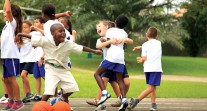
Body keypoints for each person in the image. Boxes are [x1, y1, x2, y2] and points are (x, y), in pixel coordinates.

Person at [15, 23, 102, 107]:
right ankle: (40, 106)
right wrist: (20, 34)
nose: (63, 33)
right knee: (49, 91)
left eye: (63, 31)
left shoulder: (68, 44)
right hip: (50, 68)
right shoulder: (46, 41)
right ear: (53, 33)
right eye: (60, 31)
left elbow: (81, 47)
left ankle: (61, 98)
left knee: (73, 87)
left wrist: (94, 51)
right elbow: (33, 37)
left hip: (63, 69)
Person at [86, 20, 131, 108]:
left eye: (99, 26)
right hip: (109, 62)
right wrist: (109, 41)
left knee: (125, 83)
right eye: (97, 28)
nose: (97, 29)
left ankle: (121, 99)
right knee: (105, 81)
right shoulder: (101, 39)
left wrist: (124, 39)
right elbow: (99, 45)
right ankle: (99, 101)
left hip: (117, 61)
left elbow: (127, 41)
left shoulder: (115, 35)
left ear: (107, 28)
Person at [128, 27, 163, 111]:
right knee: (151, 88)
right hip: (156, 69)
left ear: (146, 35)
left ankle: (153, 104)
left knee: (151, 87)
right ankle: (136, 100)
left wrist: (141, 58)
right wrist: (141, 51)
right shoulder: (159, 43)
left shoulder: (145, 45)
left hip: (147, 69)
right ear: (157, 35)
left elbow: (144, 57)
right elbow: (152, 46)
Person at [0, 0, 24, 110]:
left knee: (12, 79)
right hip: (5, 56)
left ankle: (18, 101)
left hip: (12, 56)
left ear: (12, 14)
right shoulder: (6, 27)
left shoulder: (12, 23)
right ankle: (10, 100)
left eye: (5, 12)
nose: (4, 13)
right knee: (5, 79)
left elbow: (8, 10)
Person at [18, 20, 36, 103]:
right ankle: (26, 96)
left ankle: (30, 93)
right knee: (23, 78)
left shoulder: (32, 35)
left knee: (23, 75)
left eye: (25, 27)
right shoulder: (20, 37)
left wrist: (35, 28)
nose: (23, 29)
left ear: (30, 28)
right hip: (22, 59)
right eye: (22, 27)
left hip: (30, 59)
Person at [31, 16, 46, 101]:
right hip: (36, 58)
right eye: (34, 22)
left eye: (37, 22)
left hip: (42, 58)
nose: (35, 24)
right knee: (37, 76)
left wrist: (42, 58)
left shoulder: (45, 33)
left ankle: (53, 92)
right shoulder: (35, 34)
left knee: (45, 76)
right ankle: (38, 94)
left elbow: (47, 47)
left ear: (42, 24)